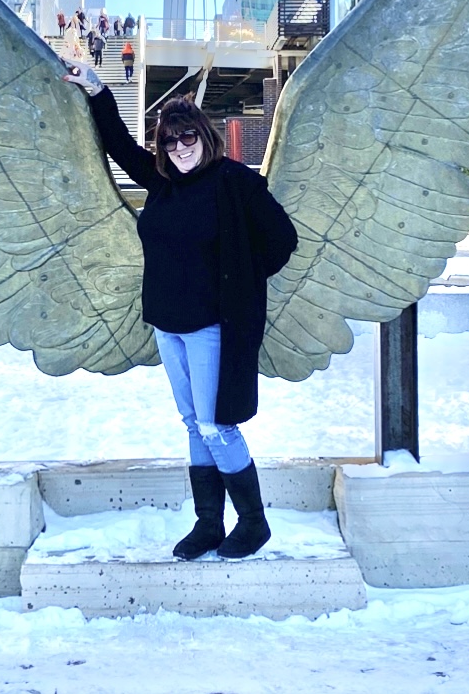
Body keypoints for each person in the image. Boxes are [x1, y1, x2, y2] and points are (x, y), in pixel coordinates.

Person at [62, 63, 298, 561]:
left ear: (204, 135)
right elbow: (120, 146)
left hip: (212, 327)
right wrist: (98, 89)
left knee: (217, 425)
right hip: (167, 325)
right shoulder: (164, 183)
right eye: (169, 142)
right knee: (194, 424)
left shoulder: (234, 182)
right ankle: (209, 523)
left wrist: (240, 284)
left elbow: (282, 240)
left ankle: (253, 524)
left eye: (187, 137)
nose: (179, 148)